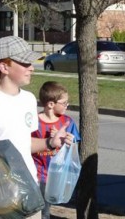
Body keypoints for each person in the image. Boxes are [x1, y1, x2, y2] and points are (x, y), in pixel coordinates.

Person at [0, 36, 74, 219]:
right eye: (24, 63)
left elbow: (24, 143)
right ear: (4, 67)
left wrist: (50, 142)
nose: (31, 67)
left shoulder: (28, 100)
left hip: (29, 187)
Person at [31, 81, 81, 219]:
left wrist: (67, 140)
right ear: (51, 104)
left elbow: (75, 145)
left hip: (57, 174)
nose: (67, 105)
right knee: (42, 211)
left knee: (48, 206)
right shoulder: (34, 122)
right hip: (38, 174)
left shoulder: (67, 122)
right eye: (64, 103)